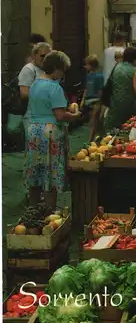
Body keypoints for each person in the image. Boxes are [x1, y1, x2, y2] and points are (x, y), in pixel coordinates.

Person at [25, 51, 81, 208]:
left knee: (35, 172)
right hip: (49, 133)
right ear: (57, 69)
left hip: (33, 130)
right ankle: (49, 212)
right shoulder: (54, 87)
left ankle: (33, 209)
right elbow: (60, 115)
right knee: (50, 174)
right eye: (62, 70)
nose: (62, 74)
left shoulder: (35, 84)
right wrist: (75, 115)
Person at [18, 42, 52, 135]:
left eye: (48, 56)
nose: (45, 59)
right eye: (42, 56)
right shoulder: (29, 69)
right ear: (34, 55)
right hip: (32, 118)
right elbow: (24, 93)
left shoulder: (45, 69)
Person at [104, 47, 136, 132]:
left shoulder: (117, 67)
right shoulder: (134, 70)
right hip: (128, 102)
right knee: (130, 125)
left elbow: (111, 83)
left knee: (111, 126)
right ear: (135, 58)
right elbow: (135, 88)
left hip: (115, 101)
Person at [81, 54, 104, 142]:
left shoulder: (99, 76)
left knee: (94, 122)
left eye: (87, 64)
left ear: (92, 65)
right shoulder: (89, 75)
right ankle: (93, 139)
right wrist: (83, 100)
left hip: (96, 102)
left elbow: (101, 91)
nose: (85, 66)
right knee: (92, 122)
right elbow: (86, 88)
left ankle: (91, 140)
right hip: (88, 101)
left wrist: (100, 104)